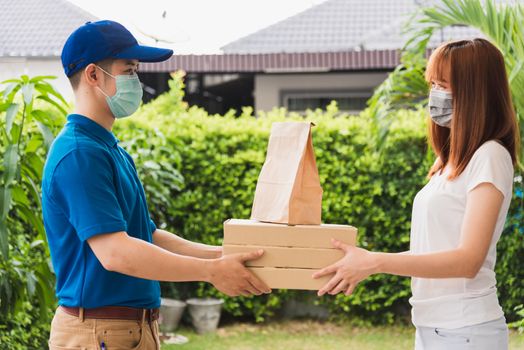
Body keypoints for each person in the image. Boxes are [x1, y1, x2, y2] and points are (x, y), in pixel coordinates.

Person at [42, 20, 270, 350]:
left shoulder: (109, 148)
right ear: (93, 75)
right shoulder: (79, 154)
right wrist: (211, 272)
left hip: (130, 329)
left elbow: (146, 236)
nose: (137, 81)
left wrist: (224, 256)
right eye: (129, 70)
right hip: (98, 331)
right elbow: (116, 253)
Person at [313, 38, 519, 350]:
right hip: (432, 328)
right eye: (433, 83)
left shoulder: (490, 156)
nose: (434, 93)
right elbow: (435, 250)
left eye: (444, 84)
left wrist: (377, 262)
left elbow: (467, 260)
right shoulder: (450, 162)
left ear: (474, 92)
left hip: (465, 330)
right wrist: (366, 262)